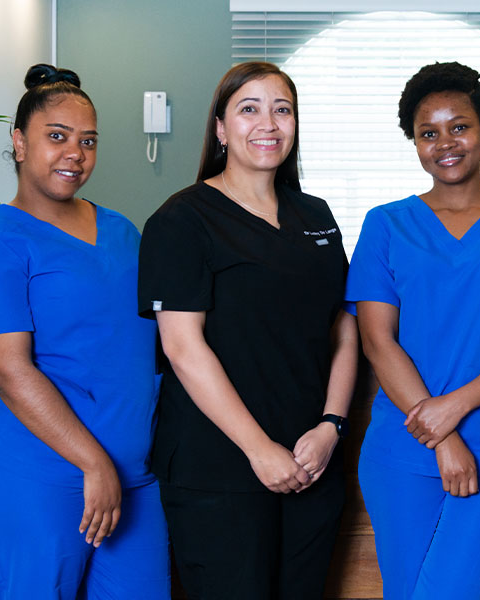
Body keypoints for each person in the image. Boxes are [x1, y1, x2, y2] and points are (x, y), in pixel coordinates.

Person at [137, 61, 357, 599]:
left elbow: (344, 329)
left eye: (283, 110)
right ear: (220, 128)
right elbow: (183, 349)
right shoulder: (181, 220)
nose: (269, 123)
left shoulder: (316, 214)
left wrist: (331, 426)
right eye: (249, 109)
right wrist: (259, 449)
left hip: (312, 461)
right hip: (219, 467)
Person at [345, 61, 480, 600]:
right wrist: (441, 435)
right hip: (402, 454)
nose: (445, 142)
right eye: (428, 132)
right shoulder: (385, 225)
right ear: (414, 143)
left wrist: (454, 409)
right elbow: (377, 341)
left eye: (460, 126)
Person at [0, 64, 169, 599]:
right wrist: (92, 462)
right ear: (19, 143)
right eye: (57, 137)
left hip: (132, 480)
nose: (75, 153)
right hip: (35, 477)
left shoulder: (122, 230)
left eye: (87, 141)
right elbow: (6, 370)